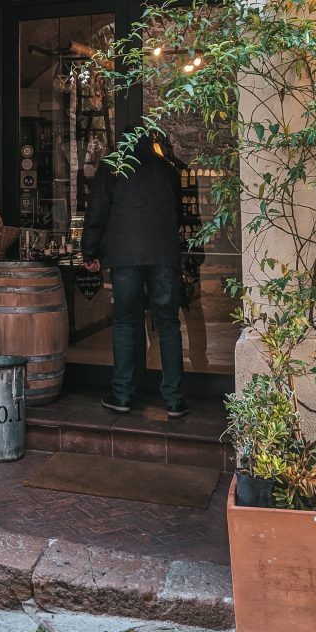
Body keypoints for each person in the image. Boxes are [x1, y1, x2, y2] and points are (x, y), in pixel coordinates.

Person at [81, 128, 189, 419]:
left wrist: (90, 253)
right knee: (168, 324)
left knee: (126, 322)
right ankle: (174, 399)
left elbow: (96, 213)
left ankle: (123, 394)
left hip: (125, 257)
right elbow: (177, 213)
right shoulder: (167, 170)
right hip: (164, 256)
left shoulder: (112, 168)